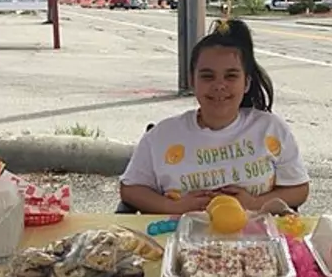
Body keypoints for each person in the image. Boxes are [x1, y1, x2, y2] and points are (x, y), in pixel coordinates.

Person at [119, 19, 310, 214]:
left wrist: (254, 203)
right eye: (207, 76)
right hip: (180, 238)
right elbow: (131, 189)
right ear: (192, 81)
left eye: (231, 76)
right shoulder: (162, 136)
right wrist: (175, 207)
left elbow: (299, 188)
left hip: (256, 239)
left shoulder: (271, 128)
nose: (219, 85)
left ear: (246, 83)